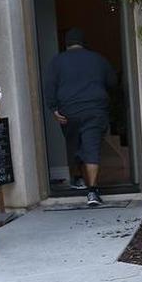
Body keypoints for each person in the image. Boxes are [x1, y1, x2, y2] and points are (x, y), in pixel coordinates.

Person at [44, 28, 117, 207]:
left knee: (74, 145)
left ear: (67, 44)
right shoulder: (98, 59)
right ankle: (92, 192)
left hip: (69, 111)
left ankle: (78, 178)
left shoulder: (57, 61)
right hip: (95, 109)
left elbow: (49, 86)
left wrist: (54, 109)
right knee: (91, 148)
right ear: (83, 42)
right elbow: (113, 82)